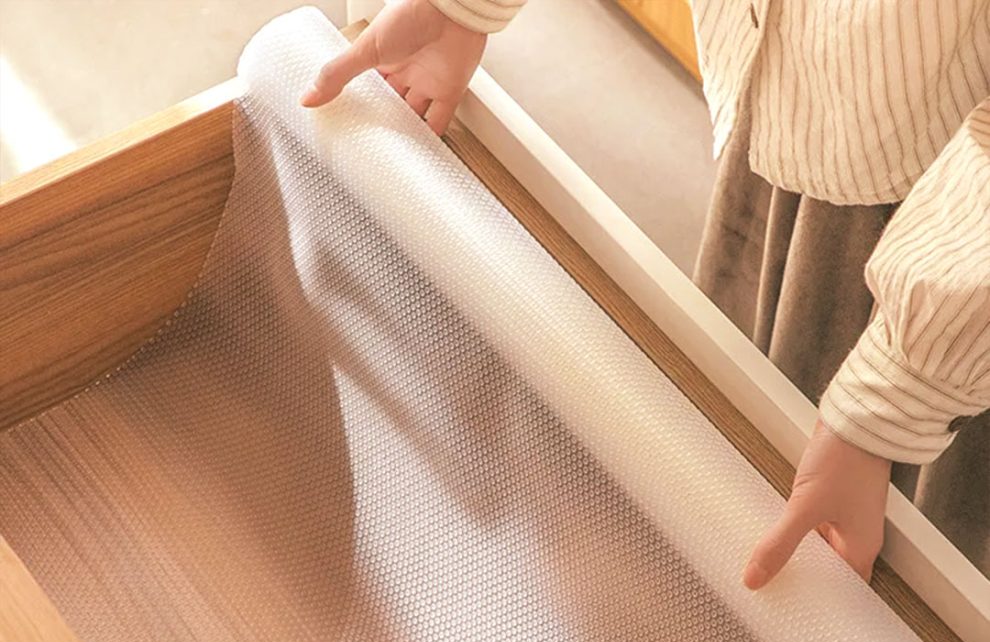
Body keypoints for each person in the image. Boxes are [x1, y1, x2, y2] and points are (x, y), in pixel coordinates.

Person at [301, 0, 990, 584]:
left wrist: (896, 396)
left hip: (955, 229)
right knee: (739, 456)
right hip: (800, 82)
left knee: (889, 566)